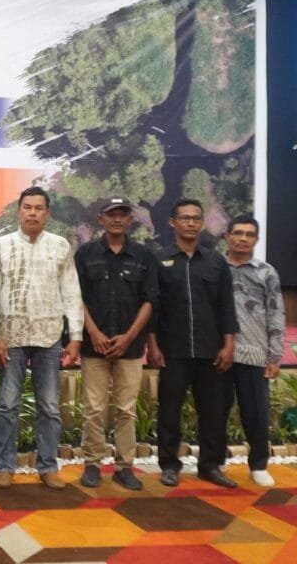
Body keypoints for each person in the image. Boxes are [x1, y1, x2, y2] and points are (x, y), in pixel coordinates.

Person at [0, 186, 82, 490]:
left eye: (38, 208)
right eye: (27, 207)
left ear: (47, 213)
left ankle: (48, 466)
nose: (32, 213)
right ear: (19, 211)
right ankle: (4, 466)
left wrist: (75, 336)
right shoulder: (1, 246)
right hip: (11, 336)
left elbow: (71, 292)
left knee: (50, 407)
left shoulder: (60, 246)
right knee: (7, 405)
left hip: (49, 336)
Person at [147, 199, 238, 488]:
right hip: (172, 351)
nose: (190, 223)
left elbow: (226, 305)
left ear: (202, 223)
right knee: (169, 411)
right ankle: (169, 465)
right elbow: (153, 306)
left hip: (211, 350)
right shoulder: (159, 260)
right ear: (172, 222)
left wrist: (228, 344)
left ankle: (210, 466)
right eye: (184, 218)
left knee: (213, 412)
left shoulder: (215, 261)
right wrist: (153, 344)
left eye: (195, 218)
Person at [74, 197, 158, 491]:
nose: (117, 219)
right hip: (93, 346)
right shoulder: (85, 254)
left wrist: (130, 336)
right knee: (94, 409)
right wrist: (94, 333)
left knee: (126, 410)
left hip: (130, 348)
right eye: (112, 214)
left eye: (123, 214)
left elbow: (150, 300)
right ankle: (92, 465)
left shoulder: (144, 256)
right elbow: (76, 297)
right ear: (101, 218)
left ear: (130, 220)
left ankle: (124, 467)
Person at [221, 215, 284, 487]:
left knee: (256, 413)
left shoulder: (266, 272)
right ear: (227, 236)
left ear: (256, 240)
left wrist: (275, 355)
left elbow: (276, 313)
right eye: (238, 233)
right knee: (216, 411)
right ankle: (215, 460)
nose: (243, 239)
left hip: (254, 353)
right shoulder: (215, 268)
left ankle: (258, 465)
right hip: (219, 353)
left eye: (249, 234)